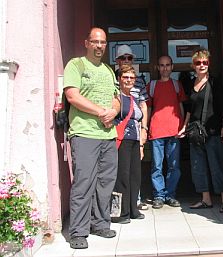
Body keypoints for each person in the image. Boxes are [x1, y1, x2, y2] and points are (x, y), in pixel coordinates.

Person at [63, 27, 120, 249]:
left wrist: (113, 111)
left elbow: (116, 98)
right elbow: (72, 96)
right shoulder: (75, 65)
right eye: (95, 42)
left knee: (105, 182)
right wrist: (101, 112)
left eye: (103, 42)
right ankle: (78, 231)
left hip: (108, 135)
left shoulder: (108, 70)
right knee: (84, 182)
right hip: (84, 133)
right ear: (86, 43)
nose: (99, 46)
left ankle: (100, 223)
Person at [178, 49, 223, 212]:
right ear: (193, 65)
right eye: (198, 63)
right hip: (196, 132)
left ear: (209, 64)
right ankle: (205, 199)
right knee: (198, 166)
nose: (201, 65)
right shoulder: (190, 84)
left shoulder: (214, 82)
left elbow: (222, 106)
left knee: (217, 165)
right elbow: (188, 109)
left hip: (213, 130)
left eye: (204, 62)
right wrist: (185, 126)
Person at [146, 55, 187, 209]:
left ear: (172, 67)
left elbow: (181, 106)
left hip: (174, 131)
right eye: (162, 65)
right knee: (156, 166)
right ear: (157, 67)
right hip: (156, 131)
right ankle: (158, 195)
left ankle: (170, 194)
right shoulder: (152, 85)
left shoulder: (177, 85)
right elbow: (148, 107)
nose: (165, 68)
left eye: (167, 65)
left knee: (174, 166)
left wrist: (182, 125)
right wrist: (146, 127)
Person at [115, 44, 149, 210]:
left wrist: (144, 129)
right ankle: (121, 209)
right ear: (117, 60)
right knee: (122, 172)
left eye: (129, 58)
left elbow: (143, 106)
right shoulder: (112, 79)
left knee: (135, 171)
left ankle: (134, 203)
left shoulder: (140, 81)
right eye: (123, 58)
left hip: (135, 132)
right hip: (119, 134)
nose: (126, 60)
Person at [111, 64, 145, 224]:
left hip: (134, 140)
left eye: (131, 77)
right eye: (125, 77)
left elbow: (138, 119)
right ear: (119, 79)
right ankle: (119, 213)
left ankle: (133, 209)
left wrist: (141, 144)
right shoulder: (116, 98)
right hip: (122, 141)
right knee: (121, 177)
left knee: (135, 176)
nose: (129, 80)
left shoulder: (133, 98)